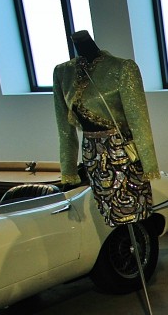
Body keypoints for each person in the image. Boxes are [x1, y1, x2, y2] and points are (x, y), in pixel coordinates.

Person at [53, 31, 159, 226]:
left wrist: (149, 164)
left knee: (132, 211)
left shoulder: (122, 68)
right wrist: (68, 170)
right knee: (110, 214)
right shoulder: (62, 73)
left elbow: (139, 119)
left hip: (120, 150)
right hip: (91, 153)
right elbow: (64, 129)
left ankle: (139, 249)